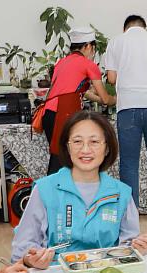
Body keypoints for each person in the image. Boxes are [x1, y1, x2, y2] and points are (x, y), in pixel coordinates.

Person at [12, 111, 147, 267]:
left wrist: (136, 248)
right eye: (77, 141)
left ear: (107, 148)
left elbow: (127, 246)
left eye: (94, 142)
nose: (85, 150)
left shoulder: (121, 193)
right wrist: (31, 259)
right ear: (67, 146)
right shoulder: (45, 189)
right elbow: (22, 247)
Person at [105, 14, 147, 219]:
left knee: (128, 161)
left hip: (127, 107)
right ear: (145, 27)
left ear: (126, 28)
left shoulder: (116, 42)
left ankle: (131, 211)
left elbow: (111, 77)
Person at [42, 26, 115, 175]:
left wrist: (101, 99)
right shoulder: (89, 65)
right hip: (64, 114)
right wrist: (117, 99)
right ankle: (46, 195)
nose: (93, 53)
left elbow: (80, 91)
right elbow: (105, 98)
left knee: (62, 160)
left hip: (48, 114)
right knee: (61, 164)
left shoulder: (61, 63)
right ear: (88, 46)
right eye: (93, 49)